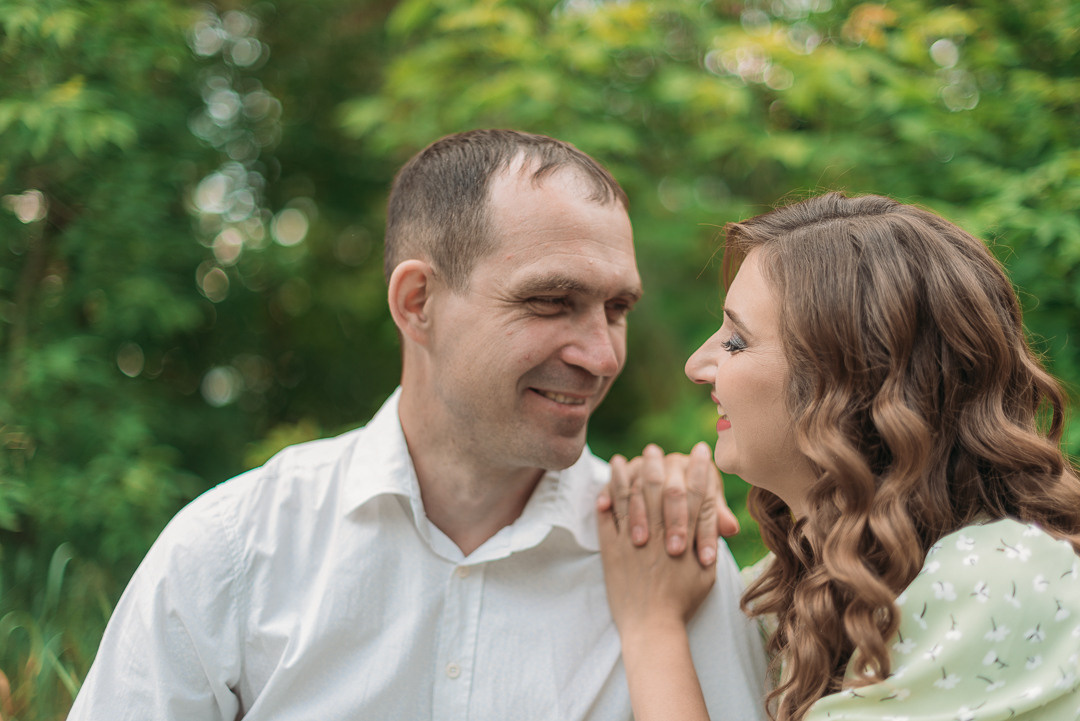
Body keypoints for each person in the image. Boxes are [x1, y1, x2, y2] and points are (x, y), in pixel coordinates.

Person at [67, 129, 768, 720]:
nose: (600, 353)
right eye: (553, 301)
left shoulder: (670, 561)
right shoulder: (234, 554)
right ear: (417, 301)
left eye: (616, 308)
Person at [598, 192, 1080, 721]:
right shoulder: (815, 577)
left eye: (737, 340)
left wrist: (652, 627)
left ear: (852, 383)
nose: (696, 365)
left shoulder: (992, 578)